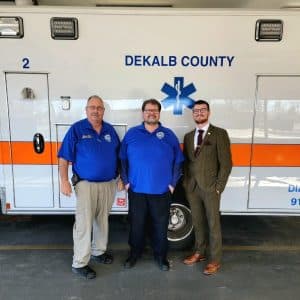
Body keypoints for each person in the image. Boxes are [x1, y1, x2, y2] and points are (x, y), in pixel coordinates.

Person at [58, 95, 121, 279]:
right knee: (84, 224)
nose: (95, 110)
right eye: (92, 107)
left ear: (103, 110)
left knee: (102, 220)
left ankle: (98, 252)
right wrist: (63, 180)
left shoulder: (109, 130)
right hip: (85, 184)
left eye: (99, 108)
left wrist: (120, 177)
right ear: (86, 110)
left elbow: (119, 156)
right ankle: (80, 263)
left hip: (108, 184)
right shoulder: (77, 129)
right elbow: (63, 157)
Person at [119, 99, 184, 271]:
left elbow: (178, 161)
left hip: (162, 191)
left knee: (160, 226)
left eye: (155, 110)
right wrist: (125, 182)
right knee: (136, 225)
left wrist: (172, 184)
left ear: (159, 113)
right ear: (143, 113)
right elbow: (122, 160)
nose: (151, 113)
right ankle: (134, 254)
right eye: (148, 110)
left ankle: (161, 257)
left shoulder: (168, 135)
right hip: (137, 191)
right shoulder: (132, 134)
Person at [182, 99, 232, 275]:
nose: (199, 113)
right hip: (193, 188)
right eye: (196, 111)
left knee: (213, 224)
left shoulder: (219, 134)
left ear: (209, 113)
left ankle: (215, 260)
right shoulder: (188, 137)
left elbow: (226, 164)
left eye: (203, 110)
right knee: (197, 222)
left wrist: (219, 187)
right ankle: (199, 252)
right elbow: (188, 162)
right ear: (193, 114)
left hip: (211, 188)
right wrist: (186, 183)